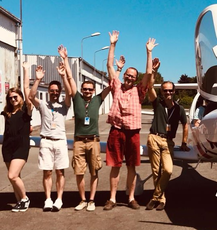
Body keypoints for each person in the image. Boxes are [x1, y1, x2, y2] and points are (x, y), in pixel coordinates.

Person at [103, 30, 155, 211]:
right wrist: (112, 44)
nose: (130, 77)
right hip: (116, 130)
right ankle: (112, 198)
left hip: (133, 132)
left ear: (135, 79)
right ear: (124, 75)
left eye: (133, 76)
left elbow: (148, 72)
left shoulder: (139, 91)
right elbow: (110, 65)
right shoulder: (116, 86)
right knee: (115, 166)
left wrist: (148, 52)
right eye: (128, 74)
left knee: (132, 166)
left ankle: (131, 197)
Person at [59, 45, 112, 211]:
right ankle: (82, 199)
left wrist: (117, 68)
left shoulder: (98, 99)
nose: (88, 91)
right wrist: (65, 59)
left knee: (94, 171)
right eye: (85, 89)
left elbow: (112, 85)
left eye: (90, 89)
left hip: (94, 141)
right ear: (82, 90)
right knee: (79, 172)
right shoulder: (76, 97)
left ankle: (91, 200)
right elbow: (70, 77)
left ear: (93, 90)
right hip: (79, 142)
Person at [28, 60, 73, 212]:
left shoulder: (64, 105)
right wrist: (38, 79)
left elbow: (70, 93)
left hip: (60, 142)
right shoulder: (42, 105)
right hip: (46, 141)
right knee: (47, 171)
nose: (54, 92)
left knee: (60, 171)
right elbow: (31, 95)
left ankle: (59, 199)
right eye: (52, 90)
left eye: (56, 90)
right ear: (48, 91)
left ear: (59, 92)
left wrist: (63, 76)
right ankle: (48, 199)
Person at [145, 59, 189, 211]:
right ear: (162, 92)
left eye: (170, 90)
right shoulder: (157, 104)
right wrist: (154, 72)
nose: (168, 93)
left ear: (174, 91)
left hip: (168, 142)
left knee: (168, 170)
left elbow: (186, 124)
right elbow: (149, 86)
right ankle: (162, 199)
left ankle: (155, 196)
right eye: (165, 90)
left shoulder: (180, 109)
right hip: (154, 138)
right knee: (156, 171)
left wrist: (184, 142)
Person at [1, 62, 33, 212]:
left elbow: (28, 91)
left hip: (21, 146)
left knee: (12, 175)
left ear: (20, 97)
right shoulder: (7, 113)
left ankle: (25, 198)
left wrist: (26, 70)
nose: (13, 99)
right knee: (14, 177)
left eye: (15, 97)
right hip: (7, 147)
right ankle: (19, 202)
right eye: (10, 98)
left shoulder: (25, 111)